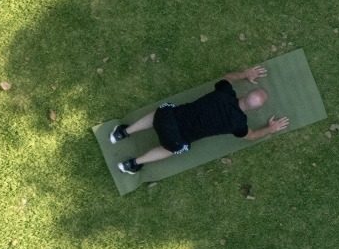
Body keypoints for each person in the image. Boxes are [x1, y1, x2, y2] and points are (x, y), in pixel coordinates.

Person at [110, 63, 290, 175]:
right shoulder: (239, 124)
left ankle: (122, 132)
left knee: (162, 112)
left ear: (246, 93)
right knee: (176, 148)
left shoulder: (225, 93)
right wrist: (270, 129)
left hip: (166, 118)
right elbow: (250, 136)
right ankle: (131, 164)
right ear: (255, 109)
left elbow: (227, 78)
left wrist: (246, 74)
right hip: (175, 140)